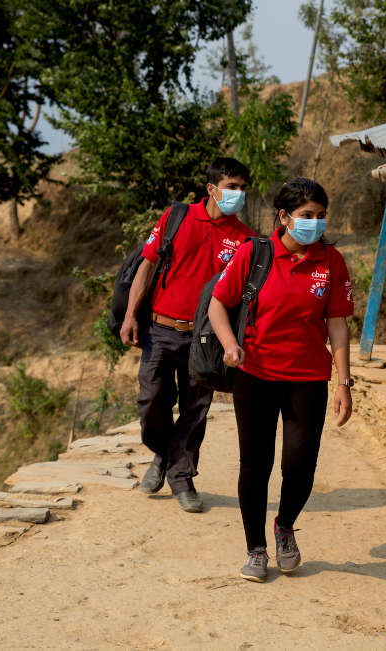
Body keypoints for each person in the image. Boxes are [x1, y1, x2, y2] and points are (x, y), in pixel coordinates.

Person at [208, 177, 354, 582]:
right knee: (255, 464)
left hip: (308, 378)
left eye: (322, 216)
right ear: (284, 217)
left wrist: (344, 382)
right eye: (308, 216)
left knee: (301, 464)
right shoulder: (255, 254)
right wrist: (229, 345)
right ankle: (256, 548)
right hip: (254, 375)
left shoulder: (330, 262)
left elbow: (338, 324)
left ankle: (284, 526)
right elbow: (218, 303)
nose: (316, 223)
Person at [121, 157, 257, 512]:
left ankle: (182, 478)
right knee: (152, 402)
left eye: (243, 188)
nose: (238, 194)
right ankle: (163, 455)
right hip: (160, 328)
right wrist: (130, 315)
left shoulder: (245, 239)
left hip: (206, 339)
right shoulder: (177, 217)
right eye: (231, 187)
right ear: (211, 189)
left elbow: (243, 297)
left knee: (196, 409)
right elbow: (147, 266)